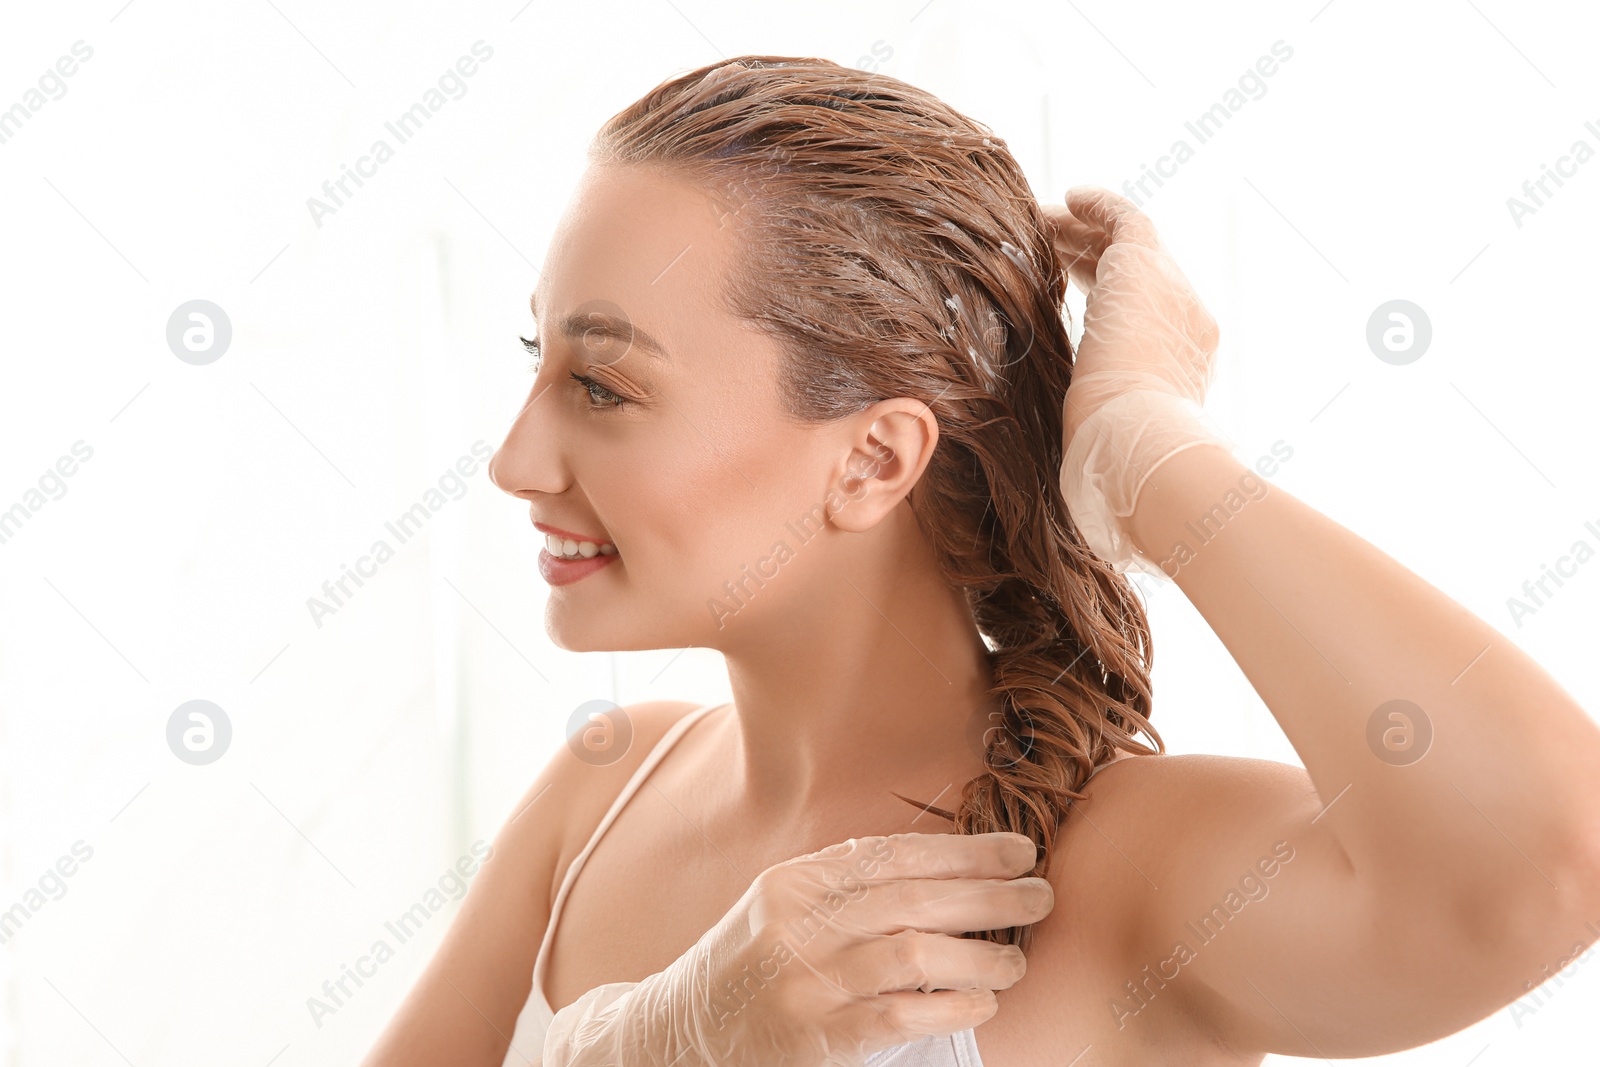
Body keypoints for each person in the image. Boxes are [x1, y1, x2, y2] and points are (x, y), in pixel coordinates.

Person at [361, 56, 1600, 1066]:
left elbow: (1549, 858)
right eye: (538, 363)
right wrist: (657, 1044)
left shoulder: (1121, 873)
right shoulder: (601, 792)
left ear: (871, 459)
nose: (517, 460)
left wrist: (1148, 452)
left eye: (600, 384)